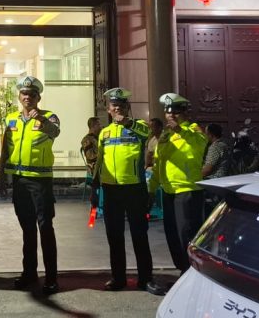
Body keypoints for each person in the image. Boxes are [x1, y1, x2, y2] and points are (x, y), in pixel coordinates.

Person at [90, 88, 166, 295]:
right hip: (111, 190)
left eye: (122, 105)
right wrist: (95, 188)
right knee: (114, 236)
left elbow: (146, 134)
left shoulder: (139, 127)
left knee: (139, 235)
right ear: (108, 109)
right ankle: (118, 278)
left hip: (134, 188)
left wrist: (128, 123)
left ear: (127, 107)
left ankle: (145, 279)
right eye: (114, 106)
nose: (118, 109)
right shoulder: (104, 133)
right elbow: (99, 162)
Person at [0, 76, 61, 293]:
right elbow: (6, 149)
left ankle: (51, 278)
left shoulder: (49, 117)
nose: (27, 97)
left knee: (45, 228)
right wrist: (1, 174)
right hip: (19, 181)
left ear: (38, 98)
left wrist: (41, 120)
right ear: (19, 96)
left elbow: (55, 132)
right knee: (27, 229)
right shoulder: (11, 119)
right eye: (24, 94)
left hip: (40, 182)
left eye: (32, 94)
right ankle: (29, 273)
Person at [148, 92, 207, 274]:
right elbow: (158, 164)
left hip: (187, 190)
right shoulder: (165, 136)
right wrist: (151, 190)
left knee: (186, 234)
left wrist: (180, 130)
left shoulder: (194, 130)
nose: (171, 116)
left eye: (175, 112)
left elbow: (200, 145)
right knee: (172, 234)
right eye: (168, 112)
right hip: (168, 191)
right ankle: (182, 270)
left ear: (185, 113)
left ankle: (192, 272)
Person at [81, 117, 103, 218]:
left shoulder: (99, 137)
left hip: (103, 169)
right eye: (99, 125)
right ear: (93, 126)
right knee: (95, 193)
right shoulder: (87, 139)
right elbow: (90, 156)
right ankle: (93, 215)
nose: (101, 127)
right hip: (95, 171)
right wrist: (104, 154)